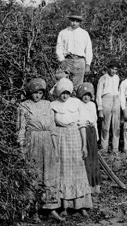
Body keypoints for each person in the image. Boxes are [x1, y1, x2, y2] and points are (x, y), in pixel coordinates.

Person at [17, 78, 63, 222]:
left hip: (48, 141)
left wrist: (55, 146)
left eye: (40, 93)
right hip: (33, 141)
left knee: (50, 173)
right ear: (30, 93)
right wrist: (22, 147)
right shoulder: (23, 106)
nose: (38, 96)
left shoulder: (47, 105)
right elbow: (20, 129)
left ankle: (51, 209)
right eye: (35, 93)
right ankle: (33, 211)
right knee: (34, 174)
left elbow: (52, 127)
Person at [50, 78, 93, 217]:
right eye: (62, 93)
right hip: (60, 138)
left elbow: (82, 125)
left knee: (77, 170)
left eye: (67, 93)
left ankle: (81, 205)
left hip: (75, 136)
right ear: (58, 93)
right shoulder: (53, 105)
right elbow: (51, 127)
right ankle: (64, 206)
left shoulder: (76, 103)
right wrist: (54, 145)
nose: (65, 96)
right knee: (63, 171)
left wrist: (84, 145)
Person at [55, 12, 93, 91]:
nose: (74, 23)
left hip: (79, 61)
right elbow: (59, 47)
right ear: (69, 21)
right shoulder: (63, 33)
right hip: (67, 60)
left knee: (77, 86)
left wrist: (88, 64)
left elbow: (88, 49)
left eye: (77, 21)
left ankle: (75, 101)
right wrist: (62, 60)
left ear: (80, 22)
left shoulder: (84, 33)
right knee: (62, 83)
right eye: (72, 21)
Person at [76, 83, 101, 194]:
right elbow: (80, 122)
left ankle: (96, 185)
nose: (86, 97)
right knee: (86, 158)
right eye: (84, 95)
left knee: (94, 158)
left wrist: (97, 136)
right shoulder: (78, 104)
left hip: (92, 131)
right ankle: (88, 185)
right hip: (83, 131)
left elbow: (94, 121)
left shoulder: (92, 105)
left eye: (88, 95)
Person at [96, 60, 121, 155]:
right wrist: (100, 108)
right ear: (108, 68)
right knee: (105, 125)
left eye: (115, 69)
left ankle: (115, 148)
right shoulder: (103, 78)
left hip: (116, 99)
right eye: (112, 69)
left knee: (116, 125)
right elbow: (98, 94)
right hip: (106, 99)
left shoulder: (117, 78)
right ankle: (104, 147)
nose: (113, 71)